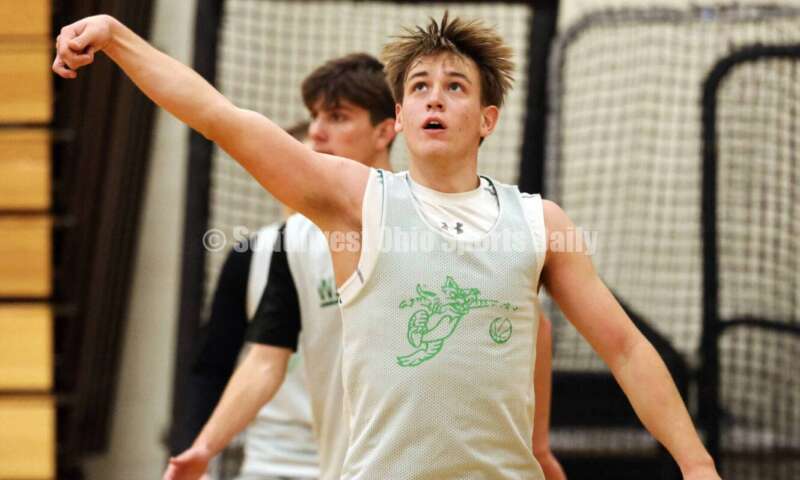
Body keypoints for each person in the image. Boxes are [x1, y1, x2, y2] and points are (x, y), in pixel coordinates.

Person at [53, 11, 717, 480]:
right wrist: (117, 37)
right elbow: (221, 118)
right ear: (399, 118)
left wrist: (697, 466)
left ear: (486, 119)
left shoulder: (539, 221)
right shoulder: (357, 200)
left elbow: (625, 349)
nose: (435, 99)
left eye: (455, 87)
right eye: (419, 87)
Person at [175, 121, 320, 480]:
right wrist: (195, 450)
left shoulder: (374, 246)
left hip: (356, 458)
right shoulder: (251, 256)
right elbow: (213, 366)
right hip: (270, 459)